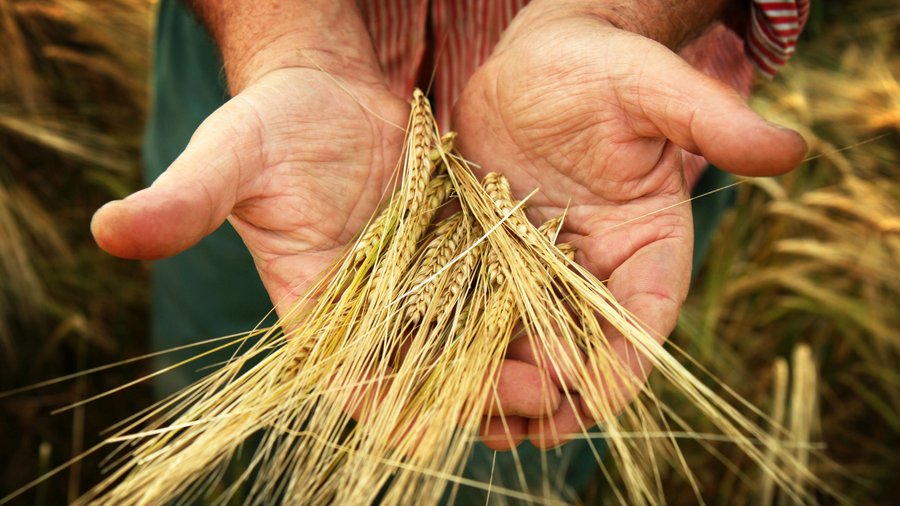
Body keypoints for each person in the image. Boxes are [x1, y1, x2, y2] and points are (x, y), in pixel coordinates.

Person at [90, 0, 810, 499]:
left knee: (510, 466)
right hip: (249, 70)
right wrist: (283, 38)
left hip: (618, 131)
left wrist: (620, 14)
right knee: (227, 434)